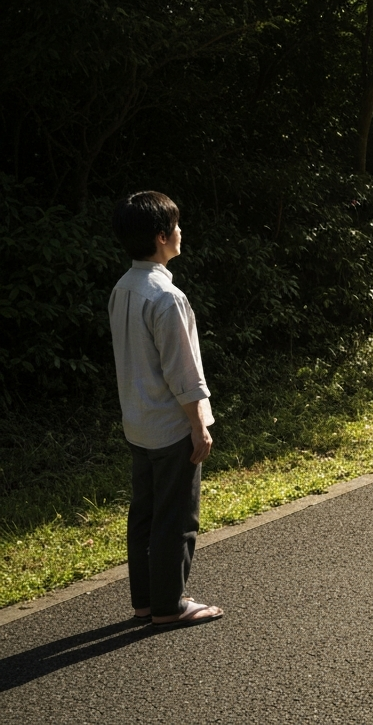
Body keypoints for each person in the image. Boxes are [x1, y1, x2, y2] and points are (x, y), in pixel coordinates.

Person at [109, 191, 224, 630]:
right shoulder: (166, 296)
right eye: (175, 226)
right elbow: (183, 372)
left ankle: (146, 602)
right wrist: (198, 426)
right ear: (161, 237)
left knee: (144, 514)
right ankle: (169, 606)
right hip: (171, 425)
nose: (180, 232)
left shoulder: (123, 288)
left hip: (138, 423)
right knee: (176, 518)